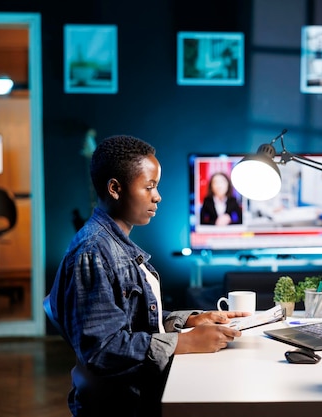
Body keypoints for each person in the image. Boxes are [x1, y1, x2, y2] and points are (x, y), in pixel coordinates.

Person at [46, 135, 248, 417]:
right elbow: (102, 350)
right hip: (121, 407)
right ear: (115, 188)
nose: (158, 196)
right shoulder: (93, 252)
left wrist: (188, 320)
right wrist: (185, 342)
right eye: (149, 186)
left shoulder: (114, 244)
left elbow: (130, 318)